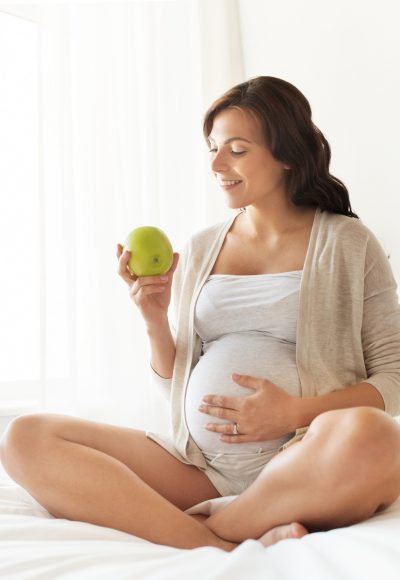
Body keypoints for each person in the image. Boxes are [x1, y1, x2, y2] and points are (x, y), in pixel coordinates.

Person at [1, 76, 400, 552]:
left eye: (235, 149)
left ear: (287, 153)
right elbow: (175, 385)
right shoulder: (201, 247)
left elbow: (393, 378)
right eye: (212, 147)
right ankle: (220, 539)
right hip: (200, 468)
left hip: (303, 457)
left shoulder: (348, 244)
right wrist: (154, 318)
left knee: (376, 438)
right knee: (25, 437)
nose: (215, 164)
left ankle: (214, 527)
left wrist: (294, 413)